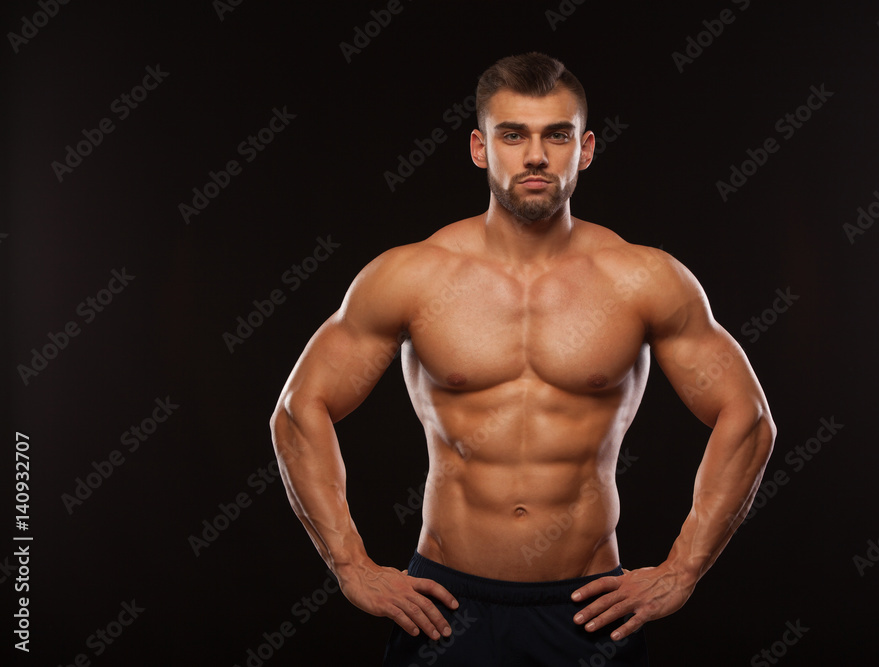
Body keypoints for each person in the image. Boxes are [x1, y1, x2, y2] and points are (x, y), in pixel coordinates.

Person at [270, 52, 775, 666]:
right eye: (513, 135)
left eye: (556, 134)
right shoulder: (412, 275)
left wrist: (683, 568)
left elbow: (746, 417)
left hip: (588, 610)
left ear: (584, 149)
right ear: (481, 149)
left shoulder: (643, 278)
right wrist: (349, 564)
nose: (535, 155)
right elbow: (300, 408)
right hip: (445, 607)